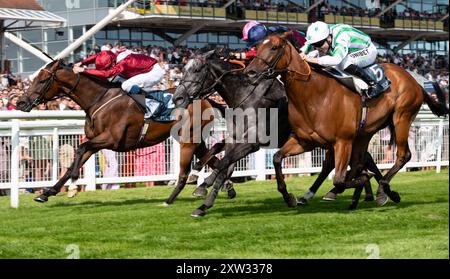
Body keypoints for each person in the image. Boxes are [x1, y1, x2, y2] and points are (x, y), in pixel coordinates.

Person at [73, 49, 166, 118]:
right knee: (113, 80)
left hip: (153, 72)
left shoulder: (123, 62)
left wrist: (84, 70)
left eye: (107, 67)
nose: (107, 69)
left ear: (113, 64)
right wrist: (82, 62)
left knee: (126, 85)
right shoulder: (113, 55)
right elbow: (97, 56)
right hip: (142, 70)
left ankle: (152, 104)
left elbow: (107, 73)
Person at [299, 21, 378, 93]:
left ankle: (372, 83)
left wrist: (309, 59)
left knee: (343, 63)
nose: (316, 47)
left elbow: (336, 60)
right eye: (314, 45)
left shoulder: (341, 38)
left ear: (328, 38)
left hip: (368, 50)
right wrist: (302, 52)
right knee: (315, 53)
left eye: (318, 44)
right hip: (352, 49)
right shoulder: (325, 33)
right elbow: (309, 43)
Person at [233, 21, 306, 60]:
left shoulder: (277, 35)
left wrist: (242, 55)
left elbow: (262, 52)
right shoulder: (266, 33)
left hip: (305, 46)